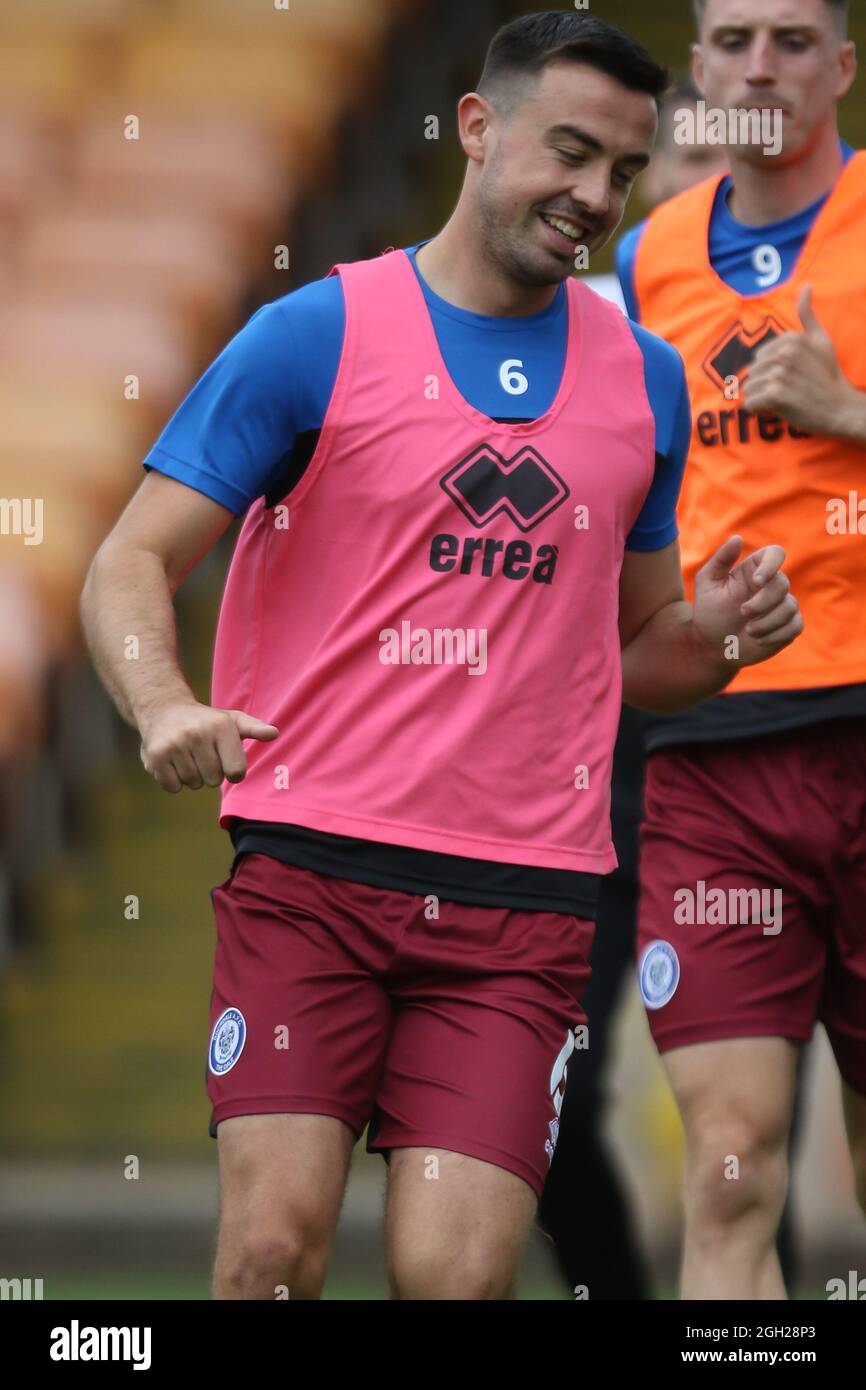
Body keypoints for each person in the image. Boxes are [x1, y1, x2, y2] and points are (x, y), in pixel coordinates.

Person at [80, 11, 802, 1301]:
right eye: (568, 152)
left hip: (521, 909)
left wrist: (723, 639)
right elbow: (128, 561)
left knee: (454, 1280)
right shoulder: (312, 334)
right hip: (311, 873)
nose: (593, 196)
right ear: (474, 129)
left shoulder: (645, 383)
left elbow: (638, 653)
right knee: (266, 1258)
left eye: (622, 172)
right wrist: (161, 702)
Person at [617, 0, 866, 1299]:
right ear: (699, 69)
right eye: (729, 41)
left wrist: (846, 410)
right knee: (727, 1157)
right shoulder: (647, 259)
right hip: (715, 756)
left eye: (787, 37)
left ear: (841, 62)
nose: (756, 65)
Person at [541, 77, 729, 1301]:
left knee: (753, 1128)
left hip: (800, 735)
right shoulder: (570, 329)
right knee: (539, 1101)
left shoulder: (837, 312)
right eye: (685, 153)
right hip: (605, 766)